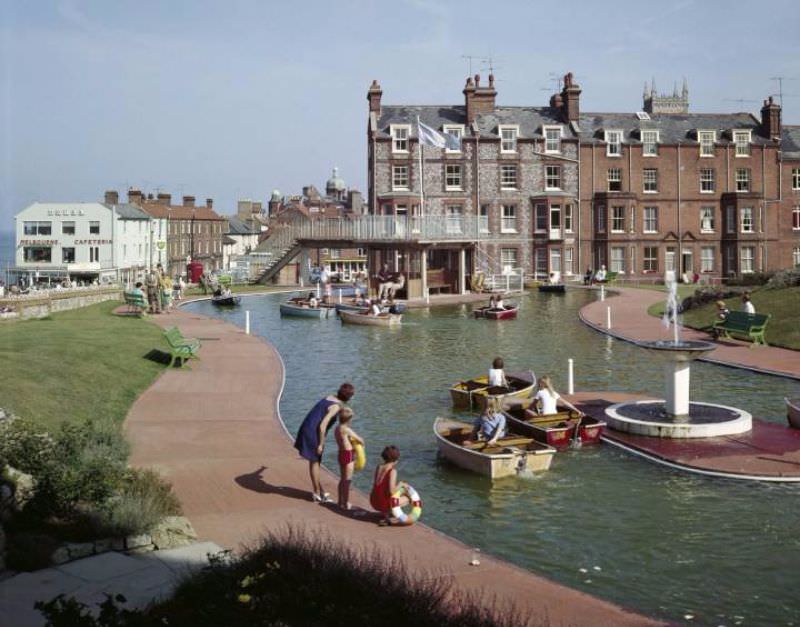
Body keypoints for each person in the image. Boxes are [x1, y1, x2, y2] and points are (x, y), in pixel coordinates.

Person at [294, 383, 355, 503]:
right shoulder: (336, 407)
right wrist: (321, 444)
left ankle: (320, 490)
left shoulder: (330, 397)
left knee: (315, 461)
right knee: (315, 462)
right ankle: (316, 493)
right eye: (351, 396)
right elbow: (322, 426)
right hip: (314, 432)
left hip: (307, 426)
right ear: (347, 397)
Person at [369, 445, 409, 526]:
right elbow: (391, 491)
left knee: (386, 493)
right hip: (382, 504)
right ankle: (395, 515)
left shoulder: (379, 467)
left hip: (373, 501)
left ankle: (386, 514)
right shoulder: (392, 471)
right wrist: (401, 484)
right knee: (407, 498)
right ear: (396, 459)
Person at [334, 407, 364, 511]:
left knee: (342, 479)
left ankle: (339, 501)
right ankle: (346, 503)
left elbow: (343, 441)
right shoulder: (347, 430)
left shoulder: (337, 428)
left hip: (341, 454)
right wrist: (360, 445)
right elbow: (360, 439)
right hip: (348, 455)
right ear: (349, 420)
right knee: (347, 481)